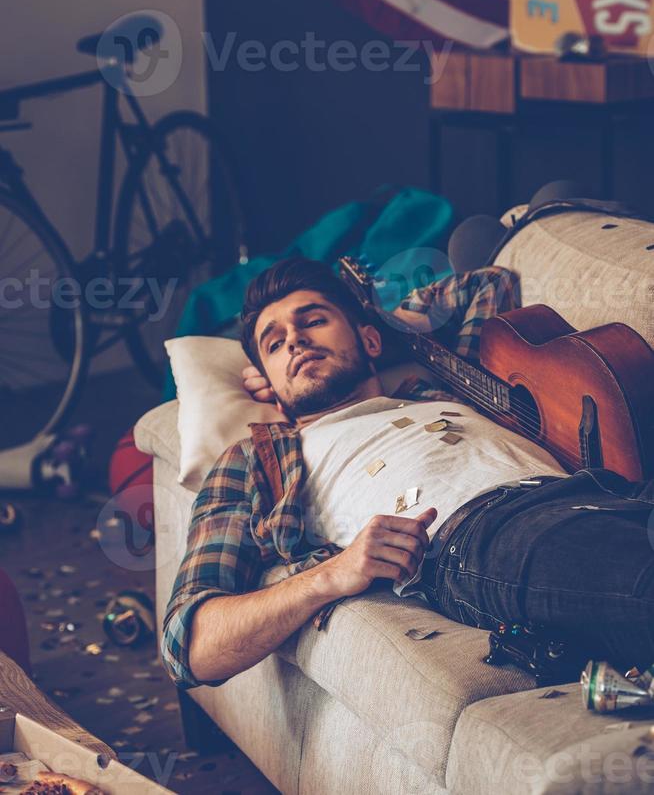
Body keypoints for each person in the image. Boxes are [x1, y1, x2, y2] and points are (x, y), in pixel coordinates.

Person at [162, 257, 654, 691]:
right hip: (479, 538)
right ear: (265, 380)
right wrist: (331, 574)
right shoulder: (257, 458)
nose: (296, 340)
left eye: (314, 321)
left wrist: (379, 321)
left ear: (370, 338)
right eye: (274, 344)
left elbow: (486, 285)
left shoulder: (440, 388)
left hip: (604, 491)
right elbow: (189, 645)